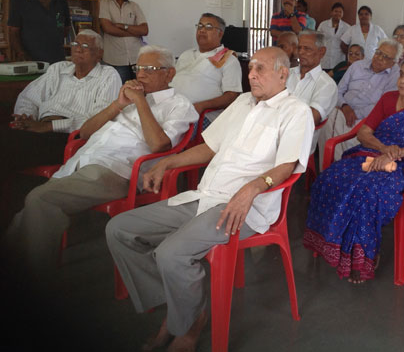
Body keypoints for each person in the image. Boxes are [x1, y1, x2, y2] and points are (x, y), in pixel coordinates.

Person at [105, 47, 314, 352]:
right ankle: (183, 310)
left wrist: (253, 188)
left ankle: (186, 326)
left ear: (283, 74)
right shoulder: (243, 102)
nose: (251, 74)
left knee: (171, 254)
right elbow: (210, 146)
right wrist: (168, 163)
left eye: (261, 69)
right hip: (204, 196)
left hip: (245, 209)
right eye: (251, 67)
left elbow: (286, 165)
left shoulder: (296, 112)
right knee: (120, 229)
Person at [4, 45, 198, 273]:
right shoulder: (127, 101)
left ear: (170, 73)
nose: (142, 74)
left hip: (114, 171)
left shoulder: (179, 105)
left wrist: (141, 102)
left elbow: (159, 144)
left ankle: (30, 277)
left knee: (40, 200)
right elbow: (85, 133)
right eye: (139, 68)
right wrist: (118, 105)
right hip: (82, 162)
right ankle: (14, 271)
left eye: (151, 68)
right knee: (30, 207)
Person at [304, 56, 404, 284]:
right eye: (402, 74)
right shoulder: (388, 99)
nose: (403, 80)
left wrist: (396, 153)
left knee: (368, 191)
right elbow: (364, 133)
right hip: (372, 154)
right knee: (329, 179)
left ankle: (365, 258)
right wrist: (383, 148)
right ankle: (332, 243)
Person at [0, 30, 121, 182]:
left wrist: (51, 126)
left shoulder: (108, 76)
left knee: (6, 145)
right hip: (38, 128)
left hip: (69, 138)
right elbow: (28, 97)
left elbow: (98, 121)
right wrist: (26, 116)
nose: (78, 49)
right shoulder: (57, 69)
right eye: (75, 44)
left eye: (85, 46)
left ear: (99, 54)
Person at [318, 39, 401, 166]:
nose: (379, 58)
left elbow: (383, 105)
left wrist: (355, 113)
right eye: (378, 52)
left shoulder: (395, 75)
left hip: (366, 119)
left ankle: (336, 166)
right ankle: (329, 166)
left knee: (335, 125)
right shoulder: (357, 66)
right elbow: (338, 91)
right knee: (329, 117)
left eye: (385, 57)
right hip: (343, 110)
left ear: (393, 62)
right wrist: (345, 107)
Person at [170, 14, 242, 126]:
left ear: (220, 33)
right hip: (172, 108)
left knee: (157, 136)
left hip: (201, 116)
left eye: (208, 27)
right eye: (200, 26)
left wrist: (202, 105)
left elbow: (231, 96)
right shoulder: (186, 54)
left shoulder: (229, 60)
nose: (202, 30)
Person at [286, 32, 337, 148]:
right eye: (299, 48)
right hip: (272, 130)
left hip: (298, 141)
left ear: (321, 52)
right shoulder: (287, 73)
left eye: (307, 49)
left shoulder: (326, 85)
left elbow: (310, 119)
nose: (301, 52)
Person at [99, 0, 149, 83]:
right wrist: (134, 31)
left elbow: (145, 30)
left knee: (141, 91)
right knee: (120, 94)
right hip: (115, 60)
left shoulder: (134, 6)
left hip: (137, 58)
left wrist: (124, 26)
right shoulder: (104, 3)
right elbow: (108, 28)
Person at [318, 2, 350, 71]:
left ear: (343, 14)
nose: (337, 13)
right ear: (331, 12)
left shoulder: (347, 27)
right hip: (324, 59)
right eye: (335, 11)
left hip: (339, 59)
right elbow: (317, 40)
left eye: (340, 12)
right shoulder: (323, 24)